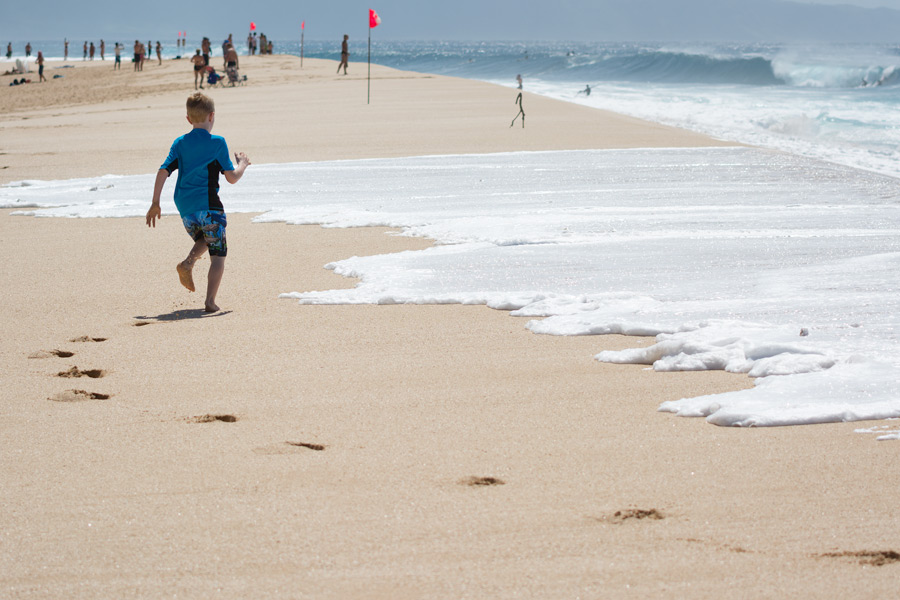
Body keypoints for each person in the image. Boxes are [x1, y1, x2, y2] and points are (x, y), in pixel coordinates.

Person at [146, 92, 251, 313]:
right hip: (209, 203)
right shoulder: (217, 142)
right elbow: (231, 177)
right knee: (218, 256)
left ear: (188, 119)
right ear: (212, 116)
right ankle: (209, 301)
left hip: (184, 206)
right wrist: (242, 164)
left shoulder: (180, 143)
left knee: (207, 238)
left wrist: (155, 202)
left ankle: (189, 263)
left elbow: (163, 170)